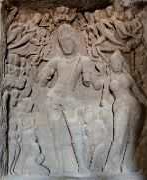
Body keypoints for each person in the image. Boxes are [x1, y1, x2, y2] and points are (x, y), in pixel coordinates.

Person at [39, 24, 92, 174]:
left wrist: (88, 75)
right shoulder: (56, 61)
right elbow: (42, 82)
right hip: (54, 98)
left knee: (76, 132)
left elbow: (87, 82)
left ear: (74, 41)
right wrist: (46, 74)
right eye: (63, 44)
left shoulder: (83, 60)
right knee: (57, 133)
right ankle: (59, 167)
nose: (66, 46)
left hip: (70, 98)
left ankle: (81, 165)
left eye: (68, 43)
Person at [101, 50, 147, 173]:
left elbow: (138, 93)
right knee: (119, 136)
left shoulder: (127, 76)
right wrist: (104, 105)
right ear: (111, 64)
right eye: (114, 62)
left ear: (121, 63)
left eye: (119, 62)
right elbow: (105, 96)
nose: (116, 64)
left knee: (132, 137)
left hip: (134, 106)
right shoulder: (108, 78)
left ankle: (126, 165)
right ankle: (109, 165)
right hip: (120, 105)